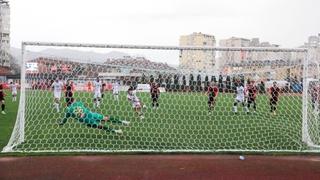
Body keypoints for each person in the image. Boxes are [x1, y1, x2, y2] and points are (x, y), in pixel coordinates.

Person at [58, 101, 128, 134]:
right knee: (106, 118)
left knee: (101, 126)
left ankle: (116, 131)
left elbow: (64, 120)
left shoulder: (68, 111)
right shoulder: (78, 103)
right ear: (73, 101)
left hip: (87, 120)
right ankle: (123, 122)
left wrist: (60, 123)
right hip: (91, 114)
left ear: (67, 105)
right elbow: (84, 106)